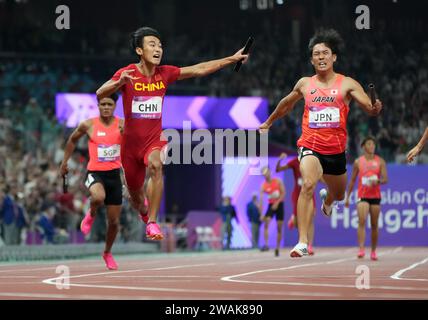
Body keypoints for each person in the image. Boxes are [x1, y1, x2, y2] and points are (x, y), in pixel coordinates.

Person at [96, 26, 249, 241]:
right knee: (136, 199)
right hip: (129, 147)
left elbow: (199, 69)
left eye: (160, 45)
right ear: (139, 51)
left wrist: (231, 59)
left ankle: (152, 222)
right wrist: (118, 83)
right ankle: (143, 211)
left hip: (154, 139)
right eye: (152, 44)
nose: (158, 49)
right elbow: (100, 93)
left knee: (156, 165)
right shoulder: (127, 72)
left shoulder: (165, 73)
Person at [259, 29, 383, 257]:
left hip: (335, 152)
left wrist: (374, 108)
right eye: (316, 54)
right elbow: (286, 104)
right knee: (307, 184)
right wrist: (268, 122)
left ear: (334, 57)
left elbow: (368, 105)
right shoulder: (305, 84)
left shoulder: (347, 84)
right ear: (311, 59)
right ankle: (302, 242)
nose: (321, 57)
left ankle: (328, 201)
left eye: (325, 53)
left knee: (338, 194)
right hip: (310, 145)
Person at [59, 93, 124, 270]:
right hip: (94, 173)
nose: (105, 107)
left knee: (114, 222)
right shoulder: (88, 125)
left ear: (114, 106)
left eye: (109, 104)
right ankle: (91, 214)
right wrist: (64, 163)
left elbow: (135, 142)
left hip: (114, 176)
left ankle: (107, 253)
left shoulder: (122, 125)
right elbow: (72, 140)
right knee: (97, 197)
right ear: (98, 105)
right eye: (102, 104)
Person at [344, 136, 388, 260]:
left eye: (373, 144)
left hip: (375, 196)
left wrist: (377, 180)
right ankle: (361, 249)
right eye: (369, 144)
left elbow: (385, 179)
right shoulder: (358, 162)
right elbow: (352, 181)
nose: (372, 146)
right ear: (363, 146)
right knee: (362, 221)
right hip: (362, 196)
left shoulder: (380, 161)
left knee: (374, 225)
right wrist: (347, 198)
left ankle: (373, 251)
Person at [276, 153, 315, 255]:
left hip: (310, 193)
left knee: (309, 220)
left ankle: (309, 246)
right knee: (300, 222)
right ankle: (301, 241)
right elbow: (278, 170)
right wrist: (279, 160)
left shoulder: (312, 161)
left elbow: (320, 176)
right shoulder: (294, 162)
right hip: (297, 194)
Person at [259, 166, 285, 257]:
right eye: (263, 173)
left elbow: (283, 194)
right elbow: (261, 200)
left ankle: (277, 248)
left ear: (270, 172)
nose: (265, 175)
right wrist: (261, 214)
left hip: (279, 205)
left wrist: (277, 203)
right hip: (271, 206)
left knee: (279, 227)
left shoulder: (277, 181)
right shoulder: (263, 185)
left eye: (266, 172)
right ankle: (266, 245)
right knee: (266, 223)